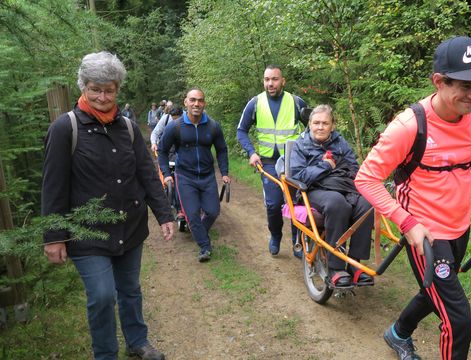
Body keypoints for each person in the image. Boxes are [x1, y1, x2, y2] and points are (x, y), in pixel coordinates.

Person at [354, 36, 471, 360]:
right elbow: (367, 178)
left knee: (438, 291)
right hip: (425, 232)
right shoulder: (408, 126)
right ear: (438, 82)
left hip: (460, 225)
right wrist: (408, 224)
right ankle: (401, 334)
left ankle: (398, 333)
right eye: (465, 85)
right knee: (458, 320)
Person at [42, 51, 173, 360]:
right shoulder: (65, 129)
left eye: (109, 89)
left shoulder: (127, 127)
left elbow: (146, 172)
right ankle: (105, 354)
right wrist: (54, 236)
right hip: (87, 234)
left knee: (129, 289)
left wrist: (164, 213)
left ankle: (138, 342)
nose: (102, 96)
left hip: (130, 226)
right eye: (95, 88)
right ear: (83, 87)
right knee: (102, 295)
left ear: (117, 90)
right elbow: (53, 187)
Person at [289, 105, 374, 287]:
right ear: (310, 124)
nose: (320, 127)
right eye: (316, 123)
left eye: (325, 123)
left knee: (367, 204)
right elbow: (298, 176)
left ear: (332, 125)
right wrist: (326, 166)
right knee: (337, 204)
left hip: (343, 186)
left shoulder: (341, 143)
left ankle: (354, 262)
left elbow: (354, 169)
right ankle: (335, 267)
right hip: (312, 189)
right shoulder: (300, 145)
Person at [236, 64, 307, 258]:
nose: (270, 83)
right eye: (267, 79)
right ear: (263, 81)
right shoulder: (255, 103)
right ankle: (275, 235)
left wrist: (308, 152)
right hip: (267, 163)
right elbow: (241, 130)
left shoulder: (296, 102)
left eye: (275, 79)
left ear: (282, 81)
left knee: (296, 204)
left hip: (293, 162)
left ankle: (297, 242)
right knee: (274, 205)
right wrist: (251, 152)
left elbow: (314, 128)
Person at [158, 88, 230, 262]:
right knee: (192, 215)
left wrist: (225, 173)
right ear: (186, 102)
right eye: (192, 100)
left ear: (204, 103)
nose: (196, 104)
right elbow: (162, 151)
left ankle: (198, 231)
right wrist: (167, 174)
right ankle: (205, 246)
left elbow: (221, 150)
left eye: (200, 100)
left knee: (213, 212)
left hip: (207, 177)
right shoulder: (175, 126)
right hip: (185, 177)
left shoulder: (213, 126)